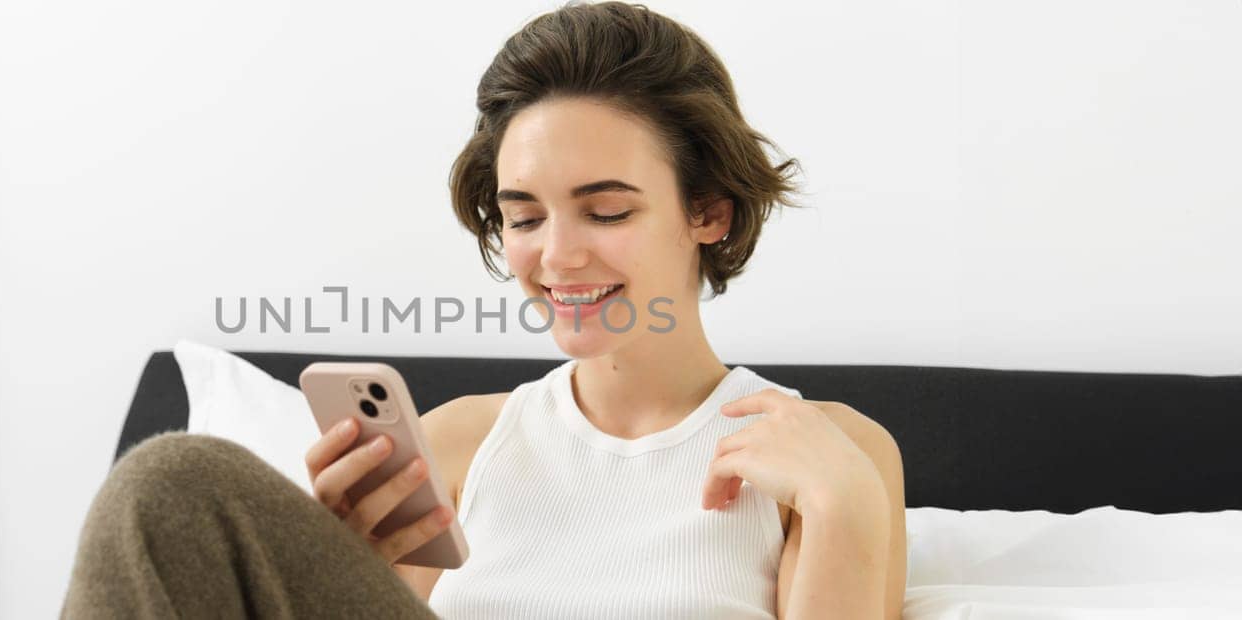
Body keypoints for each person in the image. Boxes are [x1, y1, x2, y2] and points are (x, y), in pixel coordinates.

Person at [61, 2, 906, 618]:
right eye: (526, 216)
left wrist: (845, 505)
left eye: (606, 210)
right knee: (168, 486)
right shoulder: (461, 441)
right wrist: (338, 571)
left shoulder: (830, 456)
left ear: (708, 212)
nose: (558, 255)